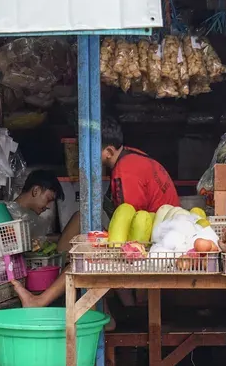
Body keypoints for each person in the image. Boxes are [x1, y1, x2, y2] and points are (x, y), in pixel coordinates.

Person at [13, 119, 179, 307]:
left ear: (108, 152)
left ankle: (41, 299)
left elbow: (132, 223)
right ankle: (119, 303)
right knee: (81, 221)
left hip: (153, 243)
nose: (86, 157)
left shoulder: (126, 170)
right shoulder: (133, 157)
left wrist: (94, 248)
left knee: (84, 257)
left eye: (91, 152)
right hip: (155, 232)